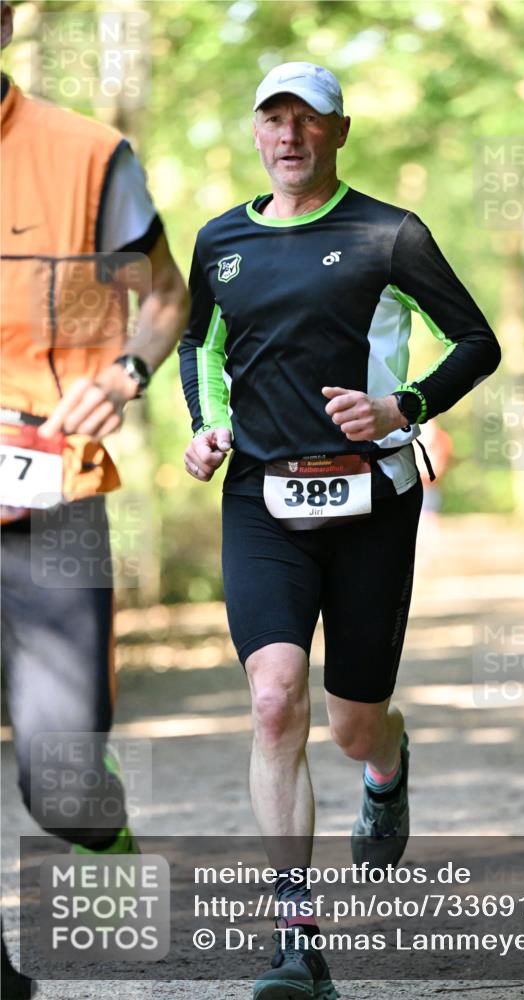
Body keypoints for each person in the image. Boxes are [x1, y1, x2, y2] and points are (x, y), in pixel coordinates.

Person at [179, 61, 500, 999]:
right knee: (275, 698)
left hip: (370, 503)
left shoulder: (388, 233)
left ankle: (387, 762)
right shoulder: (220, 240)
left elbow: (476, 340)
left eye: (307, 121)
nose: (288, 136)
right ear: (254, 133)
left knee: (351, 723)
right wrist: (204, 428)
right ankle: (295, 940)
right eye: (272, 120)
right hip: (262, 500)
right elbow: (201, 349)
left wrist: (403, 404)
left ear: (339, 131)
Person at [0, 3, 189, 995]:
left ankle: (101, 833)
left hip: (52, 503)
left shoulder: (84, 155)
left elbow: (163, 293)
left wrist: (123, 373)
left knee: (62, 779)